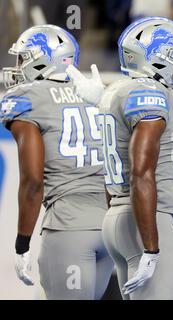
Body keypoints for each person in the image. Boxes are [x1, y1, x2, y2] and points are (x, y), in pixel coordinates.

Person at [67, 17, 173, 299]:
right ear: (155, 58)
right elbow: (141, 173)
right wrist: (151, 246)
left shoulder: (116, 90)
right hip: (146, 220)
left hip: (118, 216)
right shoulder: (150, 95)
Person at [0, 25, 113, 299]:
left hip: (69, 228)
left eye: (24, 58)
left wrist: (22, 244)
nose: (18, 67)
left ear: (42, 59)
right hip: (112, 230)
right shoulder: (98, 93)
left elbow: (33, 182)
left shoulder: (27, 99)